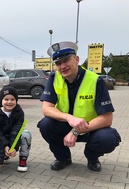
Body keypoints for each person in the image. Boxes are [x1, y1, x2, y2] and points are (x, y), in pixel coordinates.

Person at [37, 41, 121, 172]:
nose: (62, 66)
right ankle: (63, 158)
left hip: (91, 128)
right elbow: (46, 108)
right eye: (58, 63)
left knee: (108, 138)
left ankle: (92, 158)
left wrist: (75, 131)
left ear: (76, 59)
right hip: (65, 125)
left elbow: (107, 118)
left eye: (66, 60)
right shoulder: (54, 78)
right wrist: (69, 118)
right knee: (45, 124)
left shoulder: (96, 81)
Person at [0, 86, 32, 172]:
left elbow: (17, 130)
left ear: (16, 100)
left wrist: (14, 147)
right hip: (0, 138)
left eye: (12, 99)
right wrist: (5, 146)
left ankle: (23, 160)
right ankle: (3, 155)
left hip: (13, 137)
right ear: (1, 100)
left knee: (26, 134)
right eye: (6, 99)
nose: (9, 102)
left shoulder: (19, 112)